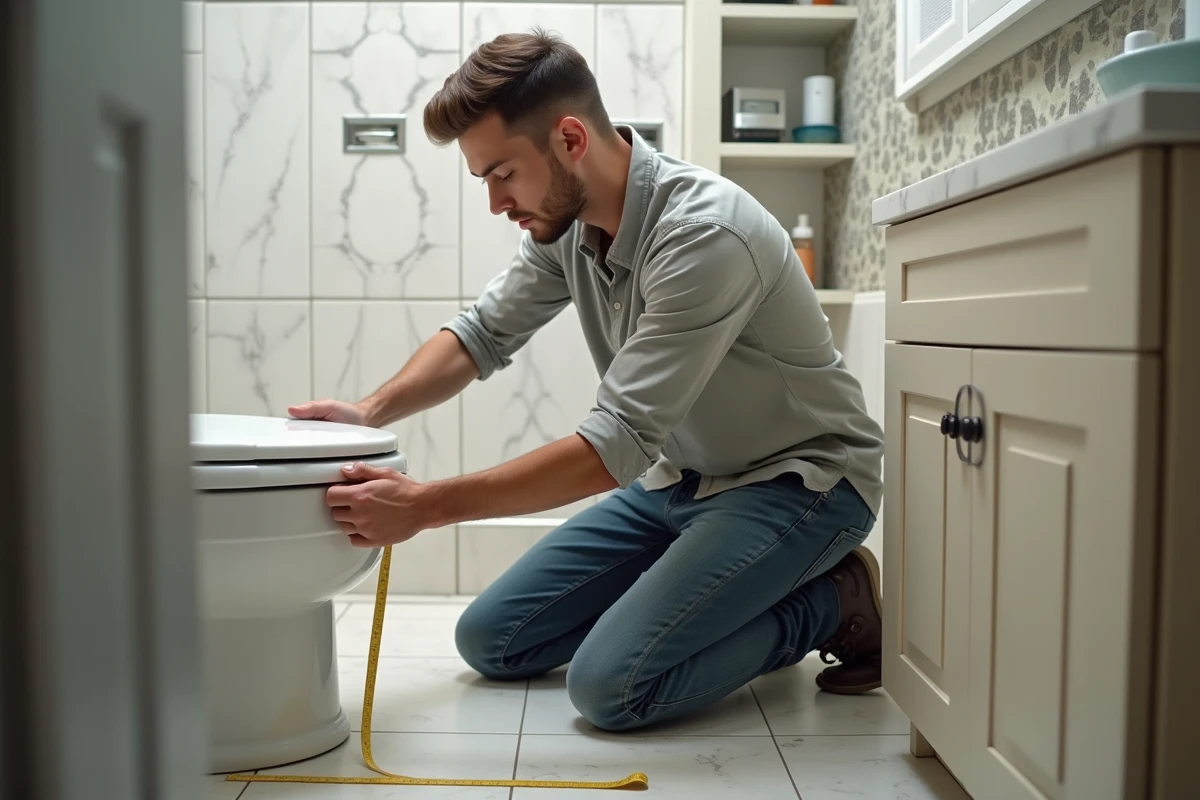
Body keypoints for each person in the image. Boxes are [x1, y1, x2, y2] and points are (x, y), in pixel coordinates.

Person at [288, 29, 885, 732]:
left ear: (570, 139)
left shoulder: (704, 236)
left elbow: (613, 445)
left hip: (801, 484)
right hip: (681, 480)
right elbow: (482, 333)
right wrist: (369, 412)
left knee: (612, 687)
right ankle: (718, 584)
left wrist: (425, 507)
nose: (495, 202)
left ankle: (831, 603)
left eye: (503, 174)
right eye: (484, 181)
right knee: (494, 640)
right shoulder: (567, 226)